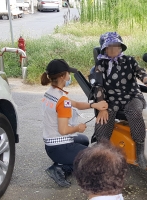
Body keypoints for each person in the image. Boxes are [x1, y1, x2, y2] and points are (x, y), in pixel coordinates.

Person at [41, 59, 108, 187]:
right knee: (94, 158)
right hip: (59, 147)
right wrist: (78, 127)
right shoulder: (62, 101)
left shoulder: (51, 93)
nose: (69, 76)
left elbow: (76, 104)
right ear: (62, 76)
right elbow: (63, 130)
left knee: (83, 140)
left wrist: (95, 104)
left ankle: (63, 162)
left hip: (51, 143)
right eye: (68, 73)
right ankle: (60, 168)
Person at [91, 31, 147, 169]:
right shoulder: (101, 64)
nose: (114, 49)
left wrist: (146, 78)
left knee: (134, 112)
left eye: (117, 46)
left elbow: (140, 72)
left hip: (132, 97)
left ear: (121, 47)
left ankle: (139, 151)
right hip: (111, 100)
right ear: (105, 49)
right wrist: (101, 107)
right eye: (110, 46)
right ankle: (102, 152)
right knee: (102, 119)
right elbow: (97, 86)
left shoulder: (129, 60)